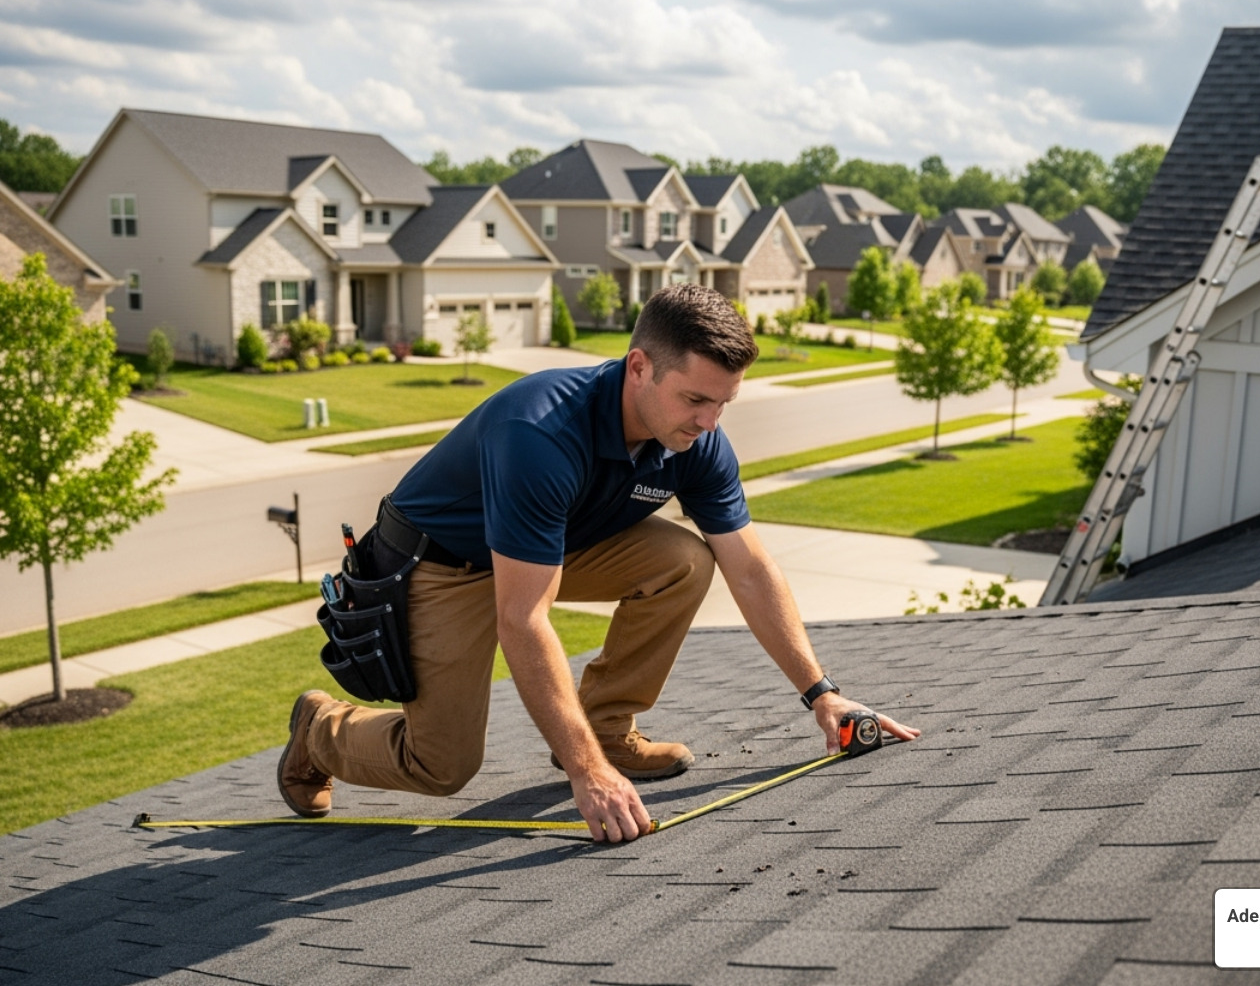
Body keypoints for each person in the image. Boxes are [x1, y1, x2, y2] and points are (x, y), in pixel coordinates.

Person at [279, 284, 919, 842]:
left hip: (548, 544)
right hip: (440, 566)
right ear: (639, 367)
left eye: (723, 403)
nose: (709, 421)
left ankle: (605, 728)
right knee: (441, 766)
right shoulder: (541, 432)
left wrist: (822, 695)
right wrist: (589, 776)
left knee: (683, 561)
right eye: (695, 399)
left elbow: (748, 568)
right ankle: (319, 729)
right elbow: (523, 618)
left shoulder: (695, 440)